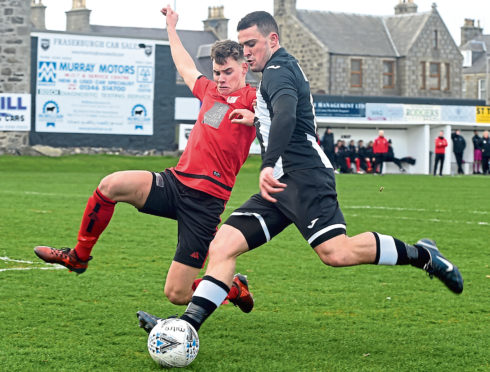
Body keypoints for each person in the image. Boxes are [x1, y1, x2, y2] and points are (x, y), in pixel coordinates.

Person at [137, 11, 463, 335]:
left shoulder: (278, 71)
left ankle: (424, 255)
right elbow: (281, 115)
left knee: (336, 252)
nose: (247, 51)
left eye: (252, 44)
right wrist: (256, 123)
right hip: (281, 183)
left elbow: (286, 117)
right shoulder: (278, 71)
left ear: (273, 40)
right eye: (243, 45)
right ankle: (185, 328)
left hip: (305, 176)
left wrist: (266, 163)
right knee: (222, 247)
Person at [34, 5, 256, 313]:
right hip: (175, 183)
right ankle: (78, 257)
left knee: (177, 294)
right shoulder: (209, 92)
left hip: (205, 203)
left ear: (245, 67)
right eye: (217, 72)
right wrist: (171, 27)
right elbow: (184, 65)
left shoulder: (255, 99)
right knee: (111, 185)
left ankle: (232, 289)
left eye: (228, 72)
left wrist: (257, 120)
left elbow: (288, 118)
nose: (220, 79)